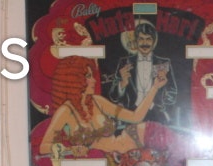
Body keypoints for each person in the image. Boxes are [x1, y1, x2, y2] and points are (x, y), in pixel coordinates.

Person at [37, 55, 165, 158]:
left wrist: (155, 87)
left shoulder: (98, 101)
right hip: (105, 163)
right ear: (74, 80)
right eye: (88, 76)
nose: (94, 80)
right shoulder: (65, 111)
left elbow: (135, 117)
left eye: (92, 76)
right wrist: (70, 150)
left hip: (127, 149)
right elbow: (44, 147)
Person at [108, 20, 178, 127]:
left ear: (153, 42)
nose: (145, 43)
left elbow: (172, 93)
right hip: (131, 116)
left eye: (148, 39)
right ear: (136, 41)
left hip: (156, 116)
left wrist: (161, 106)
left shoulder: (163, 63)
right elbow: (113, 96)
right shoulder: (125, 62)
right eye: (141, 39)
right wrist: (122, 84)